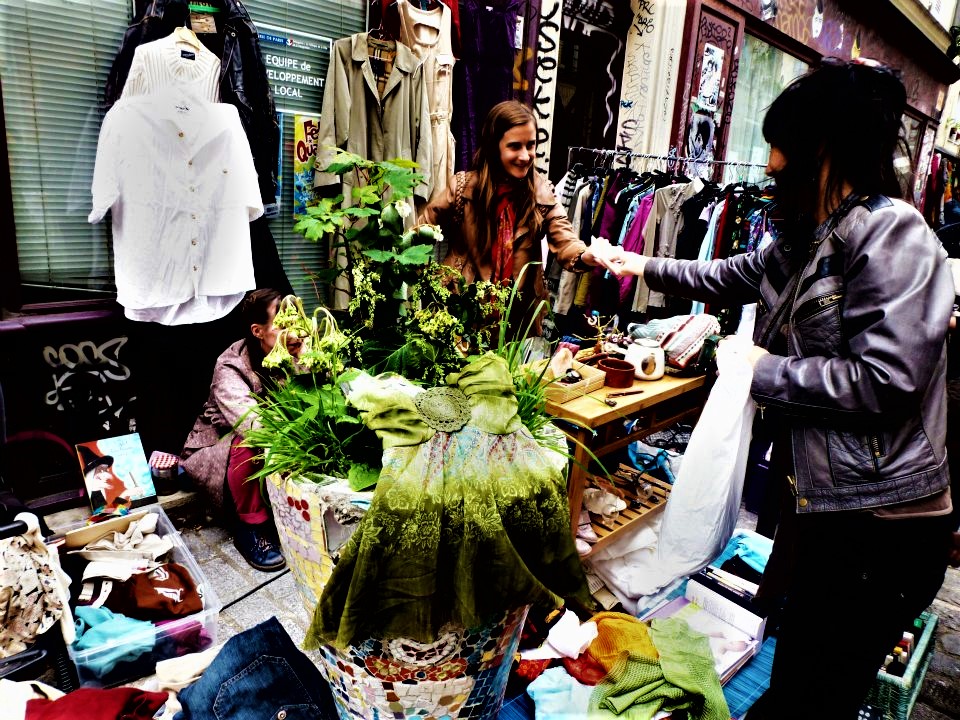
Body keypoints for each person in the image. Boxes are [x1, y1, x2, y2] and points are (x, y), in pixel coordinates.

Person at [605, 59, 955, 719]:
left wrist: (757, 366)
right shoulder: (802, 239)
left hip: (885, 528)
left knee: (816, 689)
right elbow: (723, 273)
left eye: (778, 145)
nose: (768, 165)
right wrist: (633, 262)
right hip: (828, 512)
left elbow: (887, 381)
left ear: (819, 150)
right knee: (800, 672)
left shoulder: (895, 234)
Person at [419, 100, 614, 338]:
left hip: (517, 320)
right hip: (461, 312)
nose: (525, 156)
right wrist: (430, 279)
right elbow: (419, 233)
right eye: (514, 146)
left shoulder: (542, 194)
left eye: (530, 145)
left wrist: (587, 255)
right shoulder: (463, 187)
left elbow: (566, 242)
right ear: (494, 146)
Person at [181, 289, 302, 572]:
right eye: (283, 324)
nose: (294, 331)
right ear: (258, 331)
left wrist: (302, 359)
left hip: (280, 438)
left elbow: (319, 395)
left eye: (296, 321)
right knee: (249, 445)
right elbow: (252, 424)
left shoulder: (293, 349)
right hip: (218, 445)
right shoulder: (231, 365)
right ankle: (251, 528)